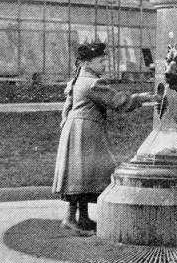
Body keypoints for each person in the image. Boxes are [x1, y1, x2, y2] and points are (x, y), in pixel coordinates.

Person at [52, 41, 153, 236]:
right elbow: (118, 102)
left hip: (77, 128)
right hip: (86, 130)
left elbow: (68, 105)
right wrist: (140, 98)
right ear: (87, 63)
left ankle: (81, 217)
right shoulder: (93, 83)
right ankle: (71, 219)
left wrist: (65, 121)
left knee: (80, 172)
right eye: (101, 61)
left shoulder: (76, 80)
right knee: (82, 172)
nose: (104, 65)